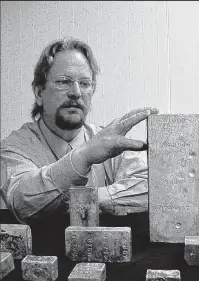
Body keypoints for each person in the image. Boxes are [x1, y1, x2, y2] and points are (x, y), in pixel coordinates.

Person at [0, 37, 158, 228]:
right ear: (39, 93)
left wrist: (89, 200)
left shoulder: (109, 142)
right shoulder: (15, 147)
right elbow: (22, 201)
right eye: (63, 82)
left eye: (84, 83)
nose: (76, 92)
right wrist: (83, 157)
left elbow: (156, 188)